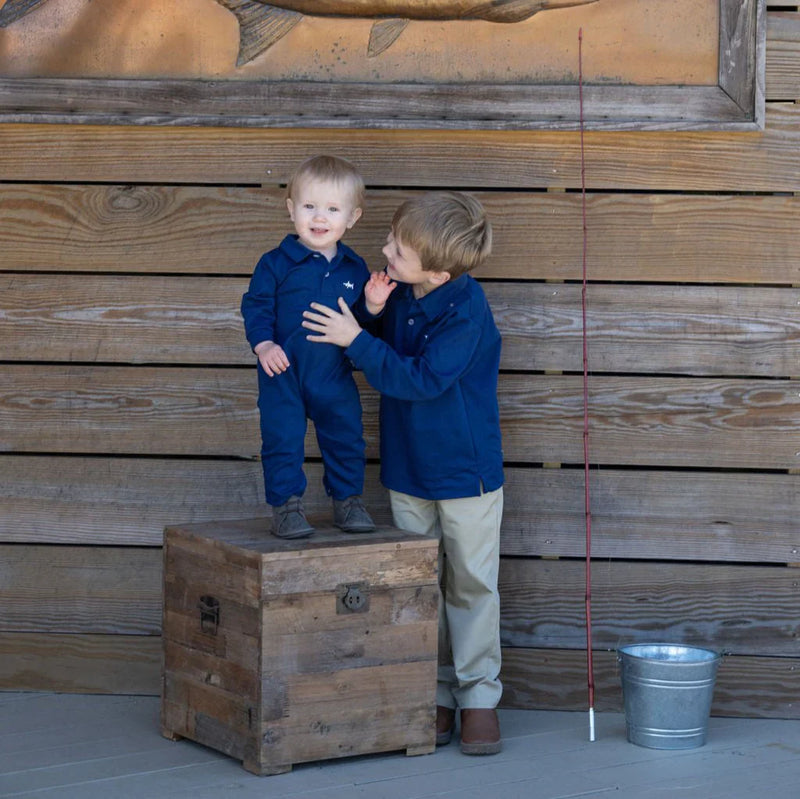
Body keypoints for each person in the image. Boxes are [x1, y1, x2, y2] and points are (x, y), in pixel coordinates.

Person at [302, 191, 505, 755]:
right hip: (408, 470)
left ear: (438, 272)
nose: (386, 250)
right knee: (418, 587)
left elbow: (418, 379)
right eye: (391, 239)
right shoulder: (402, 292)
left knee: (469, 583)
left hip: (467, 476)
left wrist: (357, 338)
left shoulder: (466, 313)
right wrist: (368, 311)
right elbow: (375, 339)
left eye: (399, 249)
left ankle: (479, 699)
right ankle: (433, 692)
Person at [240, 155, 375, 539]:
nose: (320, 217)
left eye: (333, 209)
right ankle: (286, 508)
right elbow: (257, 305)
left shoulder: (354, 268)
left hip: (333, 372)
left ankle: (348, 502)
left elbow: (364, 321)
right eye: (309, 206)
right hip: (283, 371)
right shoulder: (276, 263)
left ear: (352, 218)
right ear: (291, 210)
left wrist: (375, 304)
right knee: (282, 438)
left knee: (346, 435)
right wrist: (263, 345)